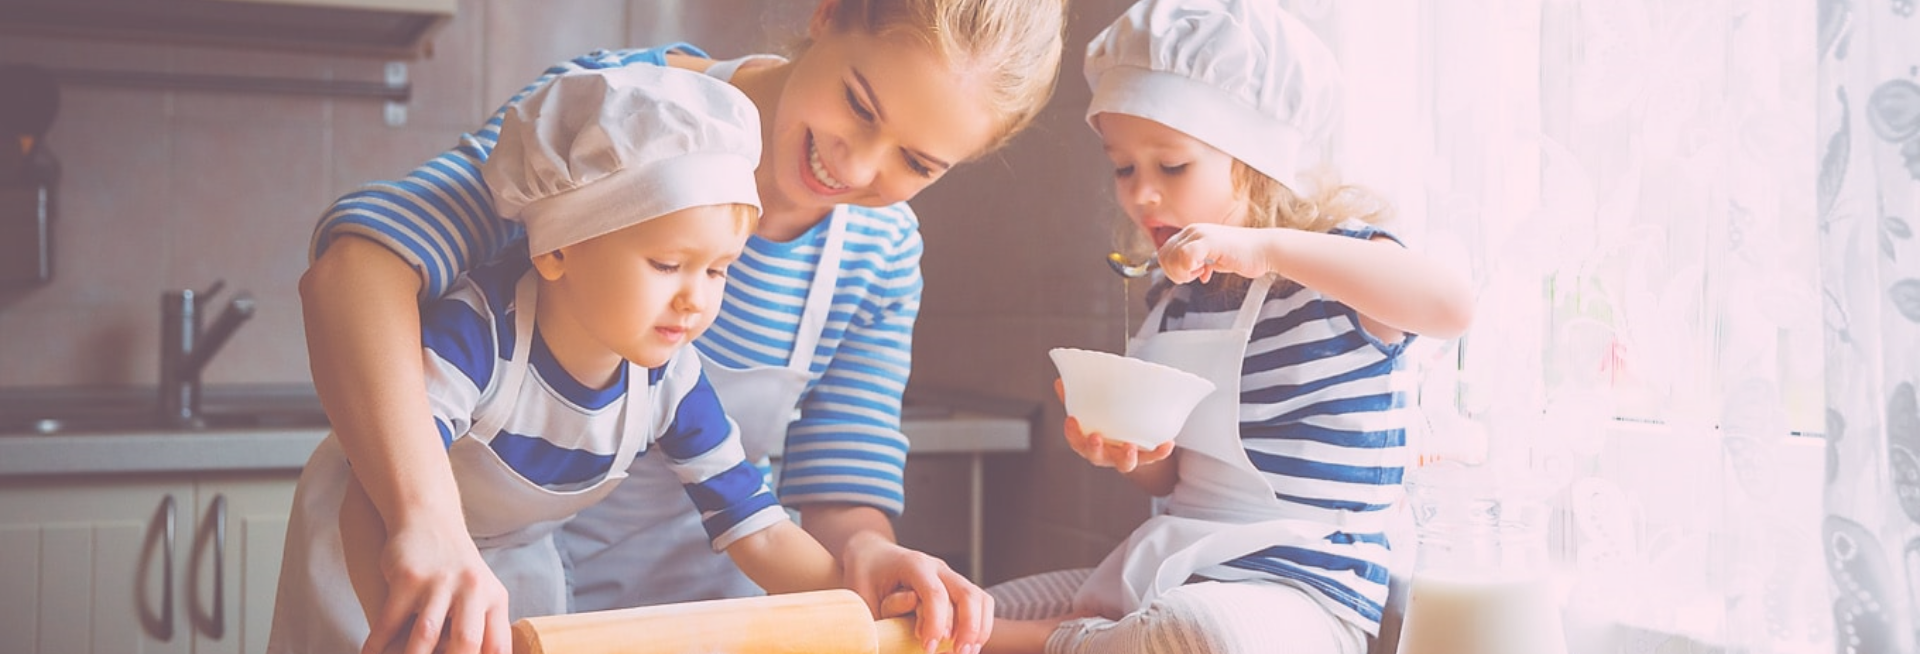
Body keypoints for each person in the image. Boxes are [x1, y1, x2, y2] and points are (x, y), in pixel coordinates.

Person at [294, 2, 1067, 654]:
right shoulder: (615, 119)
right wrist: (426, 524)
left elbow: (836, 490)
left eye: (918, 163)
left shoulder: (881, 249)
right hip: (486, 598)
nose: (858, 169)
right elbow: (360, 268)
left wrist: (866, 553)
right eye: (861, 106)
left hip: (700, 625)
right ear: (829, 13)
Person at [269, 65, 854, 654]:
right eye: (667, 264)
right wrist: (415, 634)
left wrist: (864, 609)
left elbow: (759, 531)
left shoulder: (669, 380)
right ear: (556, 250)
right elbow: (373, 503)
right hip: (376, 554)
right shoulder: (477, 339)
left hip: (516, 571)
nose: (695, 298)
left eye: (718, 269)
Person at [983, 1, 1474, 652]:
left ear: (1254, 160)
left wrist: (1270, 249)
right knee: (992, 602)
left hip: (1306, 600)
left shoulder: (1334, 276)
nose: (1140, 194)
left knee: (1194, 633)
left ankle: (1020, 642)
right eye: (1123, 167)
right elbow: (1175, 476)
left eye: (1171, 166)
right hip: (1181, 565)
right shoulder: (1178, 298)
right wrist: (1131, 455)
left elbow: (1451, 306)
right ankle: (1004, 630)